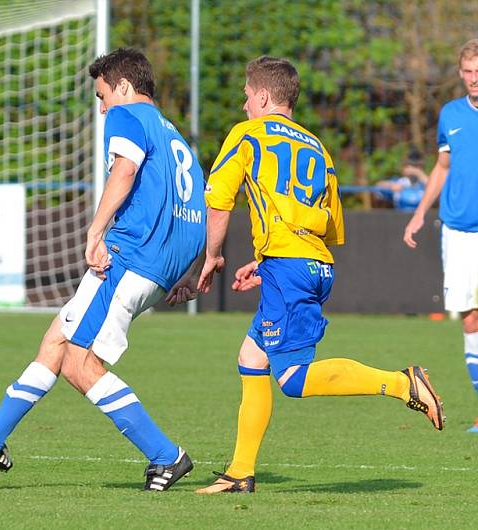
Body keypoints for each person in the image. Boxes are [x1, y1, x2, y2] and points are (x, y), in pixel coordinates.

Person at [181, 56, 444, 495]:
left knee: (294, 380)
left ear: (263, 96)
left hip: (290, 267)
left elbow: (219, 202)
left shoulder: (247, 134)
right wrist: (269, 263)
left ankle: (401, 383)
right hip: (311, 264)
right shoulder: (317, 147)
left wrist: (212, 257)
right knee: (252, 358)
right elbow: (332, 226)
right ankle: (240, 472)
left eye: (247, 97)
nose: (244, 106)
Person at [0, 48, 207, 491]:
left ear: (122, 86)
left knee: (80, 364)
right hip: (159, 261)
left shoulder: (128, 115)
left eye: (102, 96)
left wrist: (94, 232)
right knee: (57, 338)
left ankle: (166, 455)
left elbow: (124, 169)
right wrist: (189, 268)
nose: (101, 108)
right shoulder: (176, 138)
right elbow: (200, 205)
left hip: (131, 256)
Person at [403, 39, 478, 433]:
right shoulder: (450, 114)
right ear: (460, 73)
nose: (474, 79)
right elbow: (443, 168)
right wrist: (418, 215)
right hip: (458, 232)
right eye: (468, 71)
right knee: (469, 320)